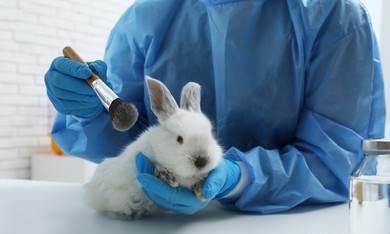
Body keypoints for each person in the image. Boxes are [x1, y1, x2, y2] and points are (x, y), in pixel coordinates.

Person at [45, 0, 386, 215]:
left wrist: (241, 178)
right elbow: (131, 140)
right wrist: (89, 111)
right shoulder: (147, 18)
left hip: (288, 233)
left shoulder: (336, 18)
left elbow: (341, 161)